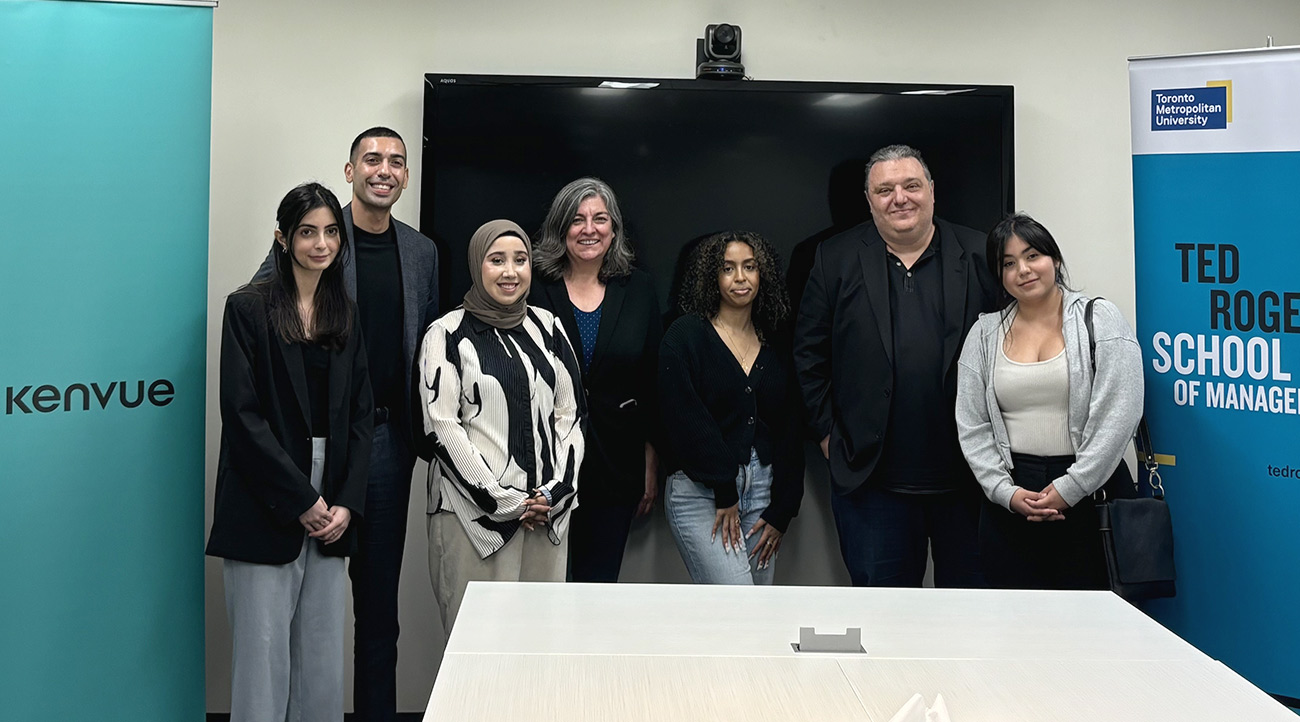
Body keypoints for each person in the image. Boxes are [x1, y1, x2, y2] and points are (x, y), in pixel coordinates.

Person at [252, 127, 438, 722]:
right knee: (304, 610)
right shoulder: (320, 234)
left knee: (378, 609)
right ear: (350, 171)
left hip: (384, 444)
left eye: (396, 162)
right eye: (372, 159)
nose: (385, 170)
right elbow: (262, 308)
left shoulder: (421, 252)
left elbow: (428, 348)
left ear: (405, 176)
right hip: (308, 444)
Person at [794, 143, 999, 588]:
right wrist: (828, 435)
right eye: (884, 190)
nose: (899, 199)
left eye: (911, 186)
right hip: (872, 484)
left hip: (969, 479)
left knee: (974, 615)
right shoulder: (835, 258)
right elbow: (809, 354)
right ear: (869, 200)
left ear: (932, 191)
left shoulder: (981, 253)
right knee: (884, 616)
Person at [208, 182, 373, 722]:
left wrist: (345, 502)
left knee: (321, 656)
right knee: (262, 657)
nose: (321, 244)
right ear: (282, 238)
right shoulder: (247, 308)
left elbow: (360, 416)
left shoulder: (345, 311)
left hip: (334, 498)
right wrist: (301, 498)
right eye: (307, 232)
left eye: (331, 232)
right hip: (267, 492)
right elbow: (242, 416)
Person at [956, 213, 1143, 589]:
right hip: (1012, 499)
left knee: (1092, 618)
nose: (1023, 270)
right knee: (1013, 618)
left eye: (1032, 256)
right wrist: (1006, 493)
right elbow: (972, 425)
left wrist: (1070, 489)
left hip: (1091, 492)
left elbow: (1119, 413)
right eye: (1008, 263)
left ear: (1054, 259)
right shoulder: (984, 334)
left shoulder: (1099, 318)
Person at [419, 220, 584, 628]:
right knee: (477, 649)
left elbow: (571, 416)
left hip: (546, 517)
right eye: (496, 260)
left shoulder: (549, 328)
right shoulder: (446, 333)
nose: (510, 272)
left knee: (541, 645)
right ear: (477, 265)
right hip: (473, 522)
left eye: (520, 260)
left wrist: (553, 494)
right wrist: (505, 501)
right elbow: (441, 427)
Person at [529, 177, 662, 583]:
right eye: (577, 219)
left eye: (600, 219)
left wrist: (651, 461)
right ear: (560, 228)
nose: (589, 229)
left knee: (595, 590)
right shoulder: (532, 285)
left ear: (614, 229)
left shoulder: (639, 289)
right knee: (538, 591)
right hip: (540, 464)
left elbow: (651, 382)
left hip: (615, 466)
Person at [659, 231, 804, 584]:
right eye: (728, 268)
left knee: (758, 606)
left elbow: (790, 425)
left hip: (764, 491)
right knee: (736, 603)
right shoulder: (685, 336)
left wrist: (783, 509)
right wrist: (725, 489)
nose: (740, 278)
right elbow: (685, 421)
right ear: (712, 277)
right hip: (702, 492)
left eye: (749, 267)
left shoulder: (776, 337)